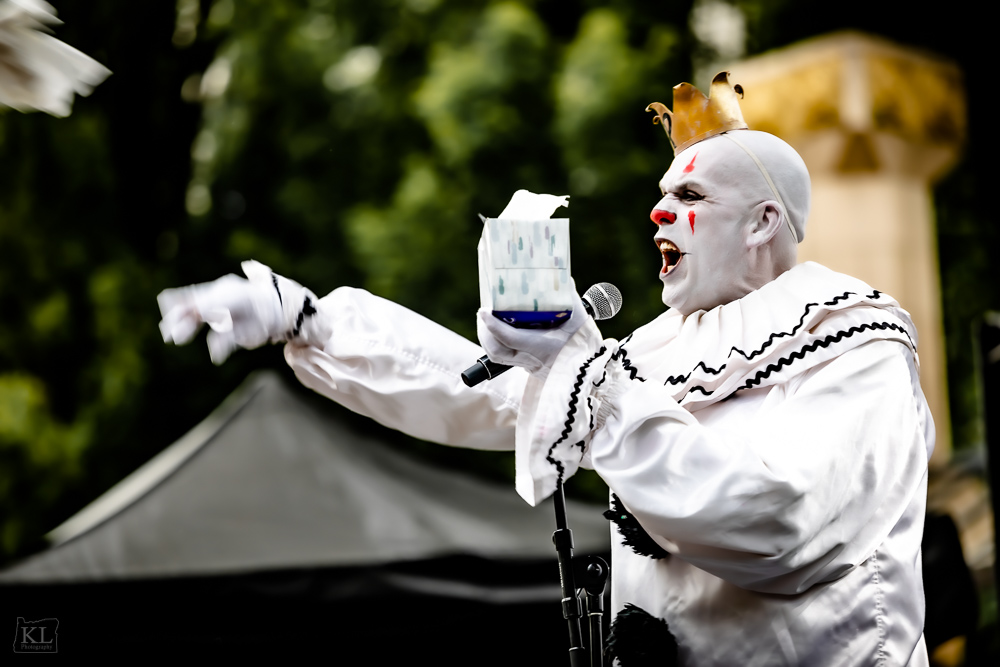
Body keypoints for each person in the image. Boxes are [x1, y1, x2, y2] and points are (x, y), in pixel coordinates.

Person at [158, 72, 933, 666]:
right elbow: (481, 391)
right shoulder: (652, 354)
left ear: (766, 219)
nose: (658, 212)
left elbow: (777, 523)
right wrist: (309, 318)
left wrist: (588, 375)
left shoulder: (856, 344)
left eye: (689, 194)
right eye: (662, 194)